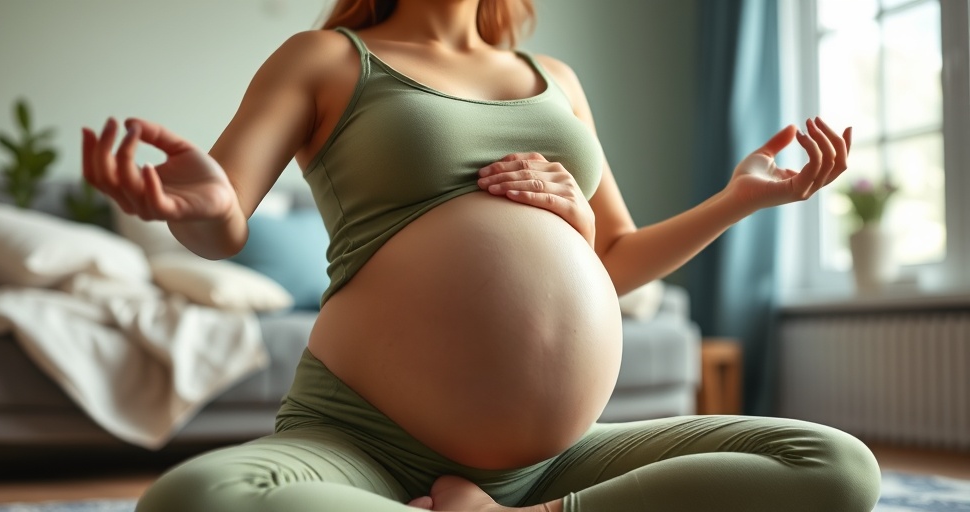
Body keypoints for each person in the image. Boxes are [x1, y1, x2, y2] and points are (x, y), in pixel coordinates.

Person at [82, 1, 882, 510]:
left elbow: (612, 258)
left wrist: (739, 199)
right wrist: (197, 208)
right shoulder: (326, 58)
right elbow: (223, 220)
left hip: (553, 463)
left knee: (834, 466)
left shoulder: (556, 79)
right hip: (368, 442)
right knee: (198, 500)